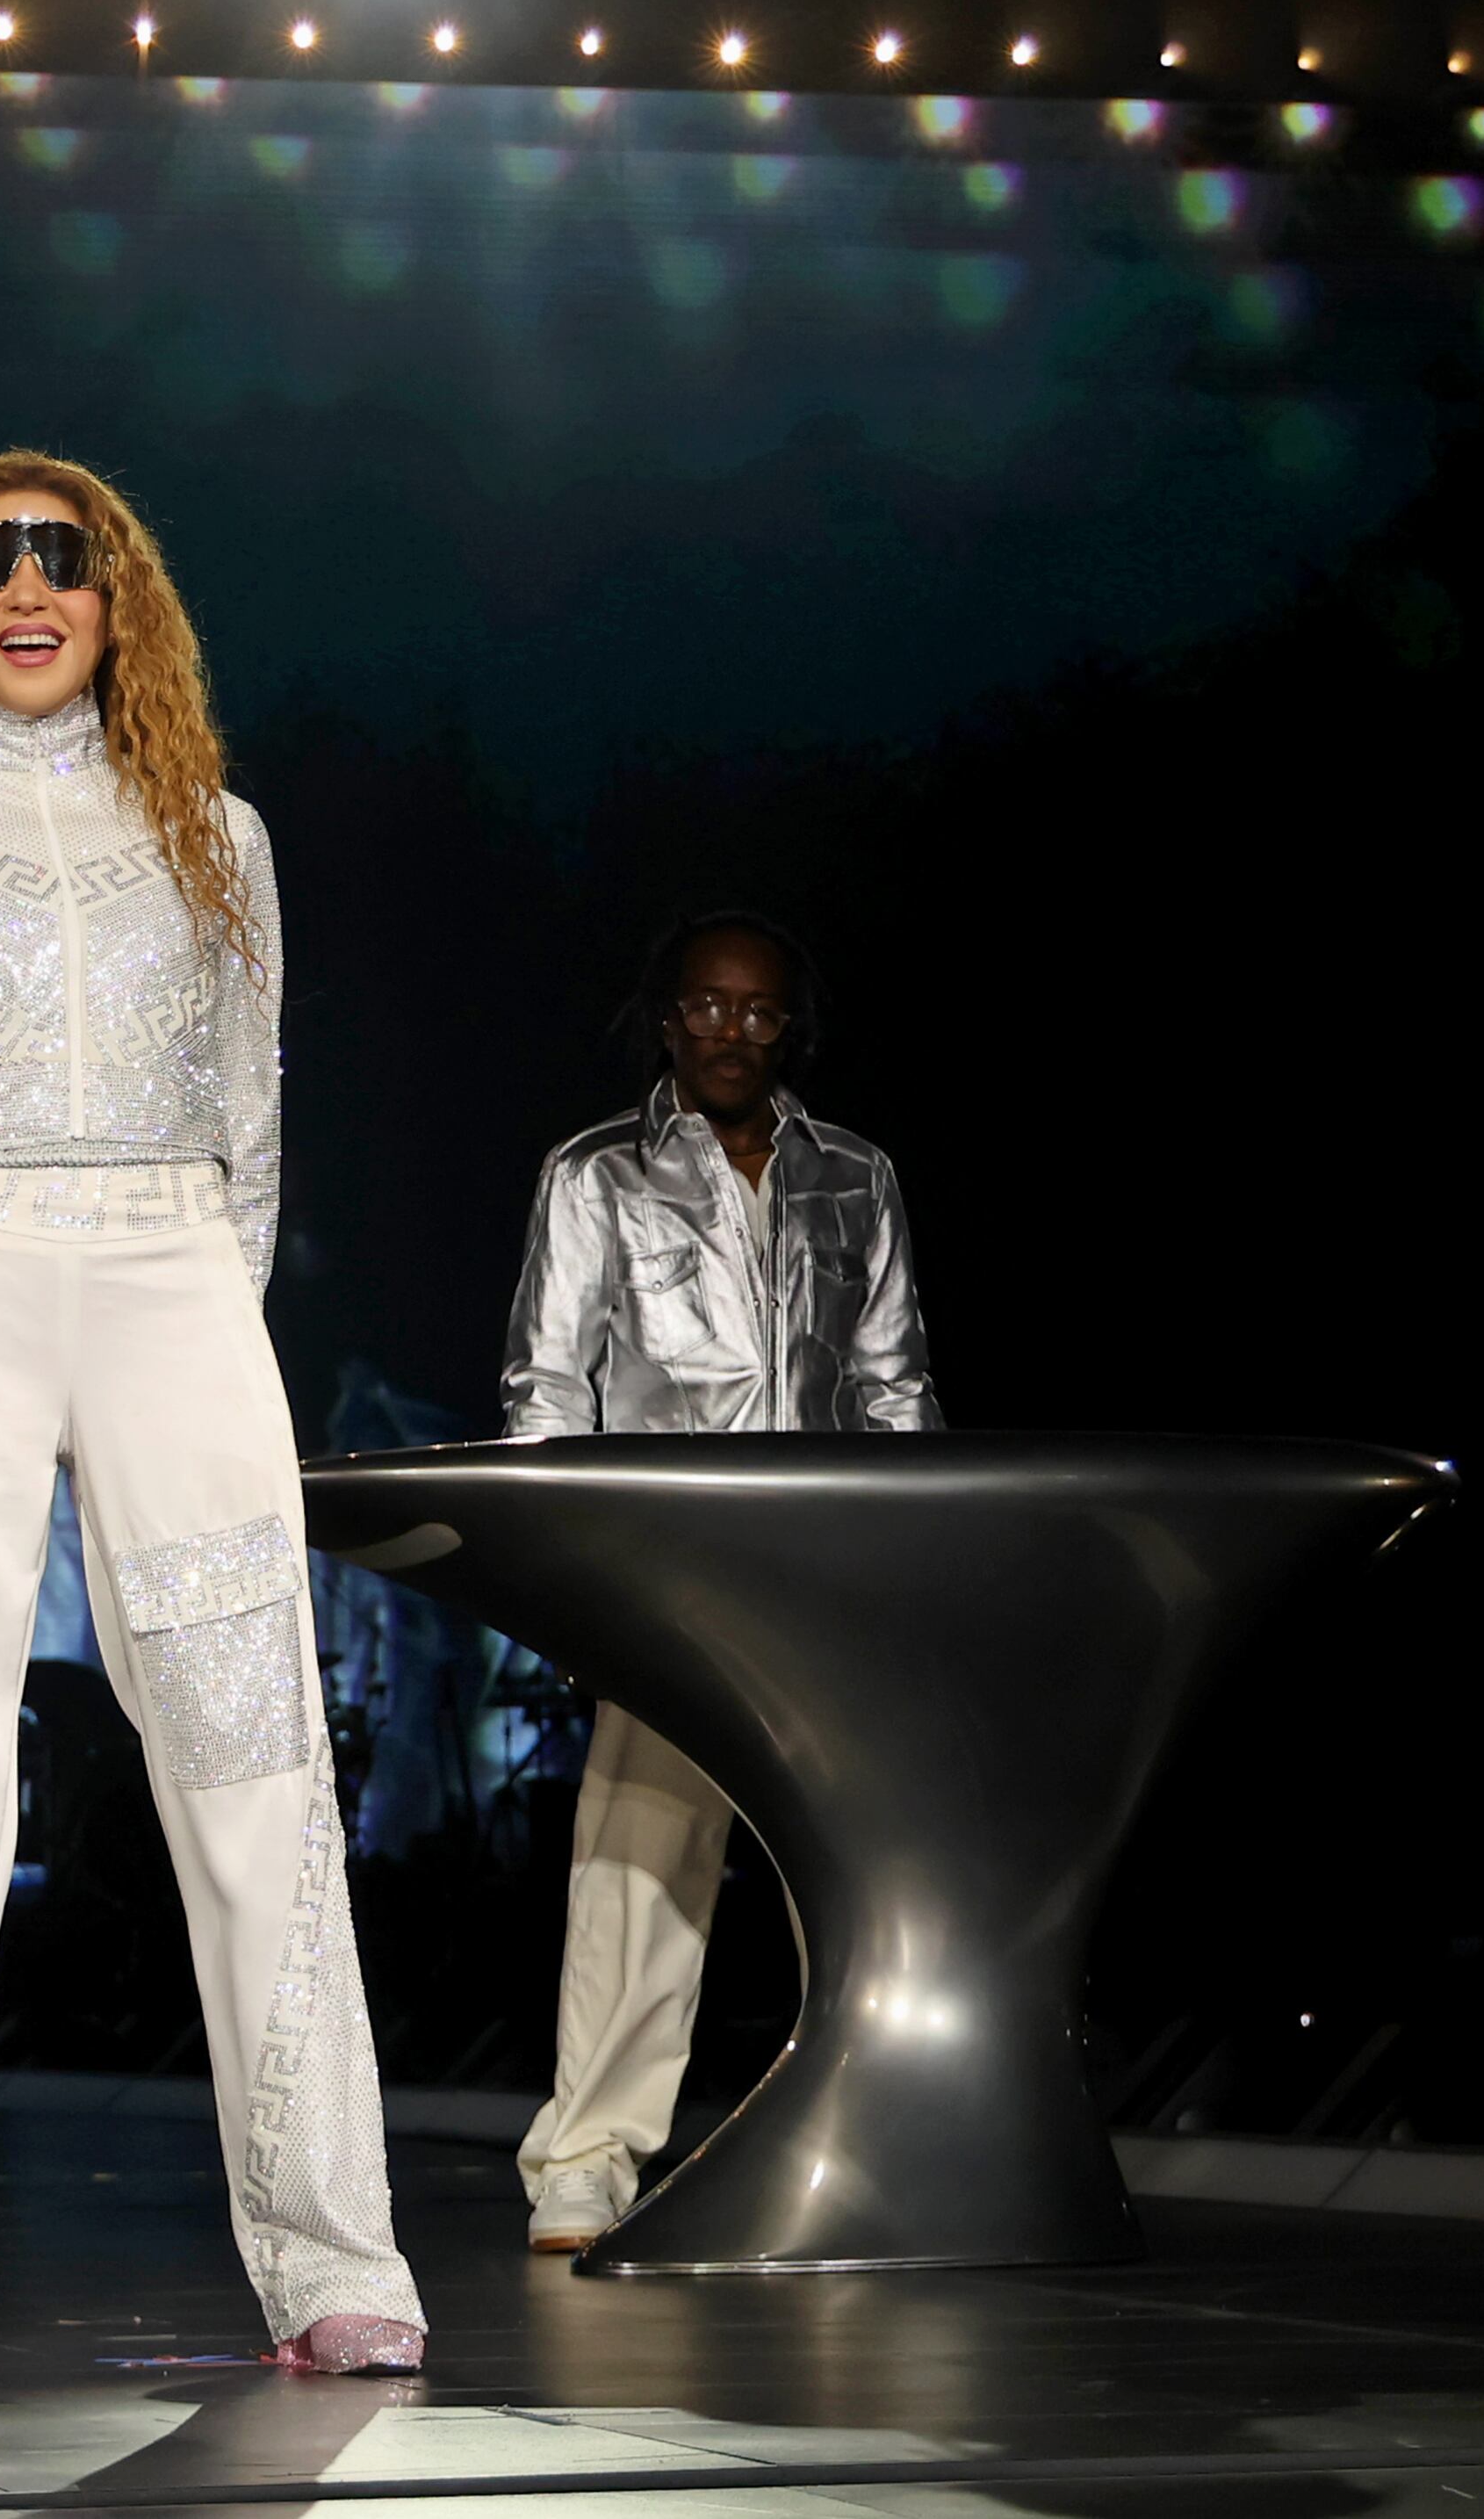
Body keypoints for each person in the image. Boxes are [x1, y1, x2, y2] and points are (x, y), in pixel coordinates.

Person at [0, 450, 424, 2392]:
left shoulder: (217, 829)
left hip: (164, 1257)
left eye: (67, 558)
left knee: (253, 1749)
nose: (27, 586)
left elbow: (254, 1116)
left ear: (120, 598)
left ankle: (333, 2255)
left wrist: (199, 1297)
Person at [499, 910, 938, 2252]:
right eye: (707, 1006)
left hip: (822, 1582)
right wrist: (563, 1591)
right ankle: (587, 2155)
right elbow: (545, 1388)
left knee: (862, 1876)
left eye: (757, 1010)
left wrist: (913, 1585)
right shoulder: (597, 1172)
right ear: (667, 1016)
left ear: (789, 1023)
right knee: (640, 1857)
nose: (732, 1031)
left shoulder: (854, 1175)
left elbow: (895, 1384)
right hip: (665, 1581)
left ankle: (887, 2135)